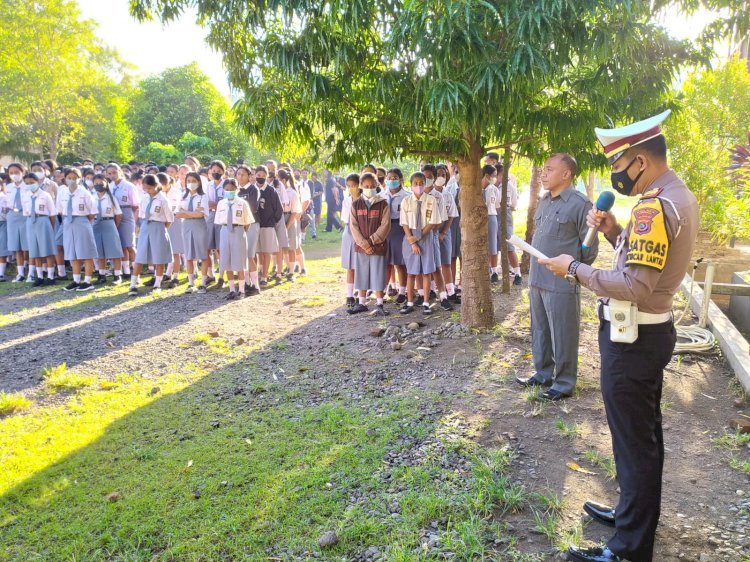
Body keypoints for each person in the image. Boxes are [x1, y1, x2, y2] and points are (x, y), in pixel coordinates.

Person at [539, 111, 698, 562]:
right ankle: (633, 516)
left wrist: (573, 268)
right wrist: (614, 233)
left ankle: (629, 549)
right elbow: (647, 263)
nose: (616, 174)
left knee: (635, 442)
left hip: (634, 340)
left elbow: (634, 285)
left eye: (620, 163)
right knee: (641, 436)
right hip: (647, 333)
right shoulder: (673, 196)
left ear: (641, 161)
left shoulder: (653, 206)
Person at [516, 153, 597, 401]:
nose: (543, 173)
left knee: (563, 332)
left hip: (562, 281)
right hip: (538, 277)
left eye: (549, 169)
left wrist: (574, 272)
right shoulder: (544, 201)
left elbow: (589, 249)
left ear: (566, 174)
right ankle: (543, 373)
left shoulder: (580, 204)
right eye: (543, 169)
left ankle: (563, 383)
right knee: (539, 329)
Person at [399, 171, 442, 315]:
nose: (418, 186)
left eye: (421, 183)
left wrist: (418, 237)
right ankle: (410, 302)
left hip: (426, 236)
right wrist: (412, 241)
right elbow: (404, 223)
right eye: (415, 183)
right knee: (411, 272)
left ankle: (425, 302)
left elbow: (433, 221)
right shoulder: (406, 201)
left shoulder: (431, 200)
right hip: (410, 238)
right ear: (410, 185)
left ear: (425, 184)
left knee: (426, 272)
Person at [347, 172, 391, 315]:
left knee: (378, 273)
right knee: (362, 273)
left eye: (372, 186)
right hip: (361, 248)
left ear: (377, 186)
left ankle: (379, 304)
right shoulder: (356, 204)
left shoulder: (383, 204)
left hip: (378, 246)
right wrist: (363, 244)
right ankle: (361, 302)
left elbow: (385, 226)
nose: (369, 188)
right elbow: (353, 227)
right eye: (366, 186)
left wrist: (371, 241)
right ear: (361, 186)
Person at [128, 174, 174, 296]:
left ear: (156, 186)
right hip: (145, 226)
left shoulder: (163, 199)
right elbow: (142, 213)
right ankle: (133, 284)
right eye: (144, 188)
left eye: (149, 188)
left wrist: (161, 230)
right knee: (140, 257)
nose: (147, 190)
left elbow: (170, 219)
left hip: (158, 226)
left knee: (159, 258)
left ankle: (157, 284)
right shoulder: (144, 197)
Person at [57, 168, 98, 292]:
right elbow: (59, 209)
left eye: (75, 178)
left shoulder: (84, 192)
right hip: (67, 223)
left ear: (80, 179)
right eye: (69, 177)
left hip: (81, 221)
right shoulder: (62, 192)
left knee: (86, 252)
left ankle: (87, 281)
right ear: (65, 178)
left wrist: (83, 221)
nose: (72, 180)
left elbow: (92, 212)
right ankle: (76, 280)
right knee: (72, 253)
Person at [215, 178, 253, 299]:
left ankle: (241, 290)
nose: (229, 191)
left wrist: (240, 231)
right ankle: (231, 289)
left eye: (232, 189)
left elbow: (248, 222)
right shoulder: (221, 203)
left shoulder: (242, 203)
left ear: (236, 189)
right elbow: (218, 220)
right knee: (227, 261)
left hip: (238, 231)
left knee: (239, 262)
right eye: (227, 189)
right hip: (225, 230)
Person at [176, 172, 211, 294]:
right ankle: (191, 283)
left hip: (199, 225)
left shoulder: (203, 196)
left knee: (203, 254)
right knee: (189, 255)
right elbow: (178, 213)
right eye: (189, 181)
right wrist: (192, 213)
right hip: (186, 225)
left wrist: (186, 212)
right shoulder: (182, 196)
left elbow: (201, 214)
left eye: (194, 181)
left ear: (199, 182)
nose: (191, 183)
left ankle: (203, 283)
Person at [22, 173, 57, 286]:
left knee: (47, 250)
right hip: (30, 221)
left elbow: (52, 214)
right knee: (34, 250)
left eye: (32, 182)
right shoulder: (25, 195)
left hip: (43, 221)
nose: (30, 185)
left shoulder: (45, 195)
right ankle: (40, 276)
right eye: (27, 183)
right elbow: (25, 211)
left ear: (37, 182)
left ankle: (51, 276)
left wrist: (49, 226)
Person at [107, 163, 139, 279]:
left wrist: (134, 221)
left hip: (127, 213)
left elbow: (136, 206)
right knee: (120, 245)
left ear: (120, 171)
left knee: (130, 245)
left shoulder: (129, 186)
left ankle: (136, 271)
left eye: (114, 172)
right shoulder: (109, 187)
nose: (112, 175)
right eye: (109, 173)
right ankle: (126, 271)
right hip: (114, 215)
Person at [91, 174, 124, 285]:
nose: (98, 185)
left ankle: (117, 275)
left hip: (109, 223)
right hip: (96, 225)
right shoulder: (91, 197)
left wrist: (113, 225)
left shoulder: (111, 197)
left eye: (101, 182)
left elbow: (118, 215)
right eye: (96, 183)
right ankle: (101, 275)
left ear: (106, 183)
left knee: (114, 251)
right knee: (99, 252)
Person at [383, 168, 409, 305]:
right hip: (385, 229)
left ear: (400, 179)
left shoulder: (406, 196)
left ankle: (402, 292)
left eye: (395, 178)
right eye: (389, 178)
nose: (392, 180)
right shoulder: (382, 195)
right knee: (387, 263)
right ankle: (383, 291)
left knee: (400, 263)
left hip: (400, 229)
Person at [254, 166, 283, 286]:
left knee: (266, 252)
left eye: (262, 175)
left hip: (268, 225)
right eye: (258, 175)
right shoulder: (252, 189)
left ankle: (264, 277)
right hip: (255, 225)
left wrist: (271, 220)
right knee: (256, 252)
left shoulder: (271, 191)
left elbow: (278, 209)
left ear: (267, 176)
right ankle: (255, 275)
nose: (260, 177)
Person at [237, 165, 261, 295]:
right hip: (238, 226)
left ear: (249, 176)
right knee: (241, 255)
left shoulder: (253, 189)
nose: (240, 176)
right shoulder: (234, 190)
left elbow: (252, 207)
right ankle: (246, 282)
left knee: (250, 255)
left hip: (251, 224)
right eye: (238, 174)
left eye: (243, 174)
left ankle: (255, 285)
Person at [6, 163, 30, 282]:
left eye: (17, 172)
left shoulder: (28, 185)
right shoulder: (8, 187)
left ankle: (31, 272)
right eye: (11, 173)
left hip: (25, 215)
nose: (14, 175)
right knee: (17, 247)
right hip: (12, 216)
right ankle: (20, 274)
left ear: (23, 172)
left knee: (28, 246)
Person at [340, 173, 360, 310]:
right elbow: (345, 219)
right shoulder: (347, 201)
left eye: (354, 185)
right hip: (349, 232)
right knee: (350, 265)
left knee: (361, 265)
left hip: (362, 233)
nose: (351, 188)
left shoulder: (365, 200)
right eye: (349, 186)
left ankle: (361, 293)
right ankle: (349, 294)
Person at [481, 165, 501, 283]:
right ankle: (485, 268)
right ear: (487, 175)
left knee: (492, 245)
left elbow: (496, 204)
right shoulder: (478, 188)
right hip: (478, 218)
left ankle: (494, 271)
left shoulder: (494, 189)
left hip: (491, 216)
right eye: (493, 175)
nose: (495, 178)